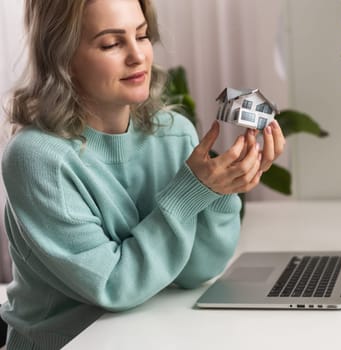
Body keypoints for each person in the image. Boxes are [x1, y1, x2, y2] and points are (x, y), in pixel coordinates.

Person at [0, 0, 285, 349]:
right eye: (111, 43)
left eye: (142, 35)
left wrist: (219, 190)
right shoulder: (37, 158)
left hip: (145, 335)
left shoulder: (174, 133)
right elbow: (114, 285)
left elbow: (197, 269)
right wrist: (190, 192)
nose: (138, 56)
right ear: (63, 57)